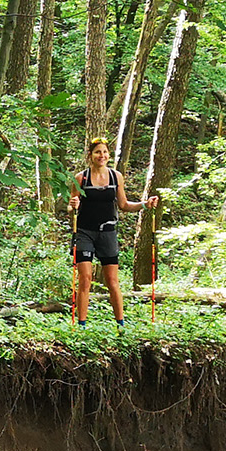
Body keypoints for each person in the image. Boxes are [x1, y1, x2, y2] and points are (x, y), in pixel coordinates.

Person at [70, 138, 157, 327]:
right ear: (90, 156)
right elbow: (72, 208)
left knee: (112, 281)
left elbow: (124, 205)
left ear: (109, 155)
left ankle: (120, 325)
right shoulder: (81, 178)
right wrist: (72, 206)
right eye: (97, 152)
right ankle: (81, 326)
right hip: (85, 233)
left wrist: (144, 205)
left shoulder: (115, 176)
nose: (102, 155)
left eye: (104, 152)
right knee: (85, 279)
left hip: (108, 233)